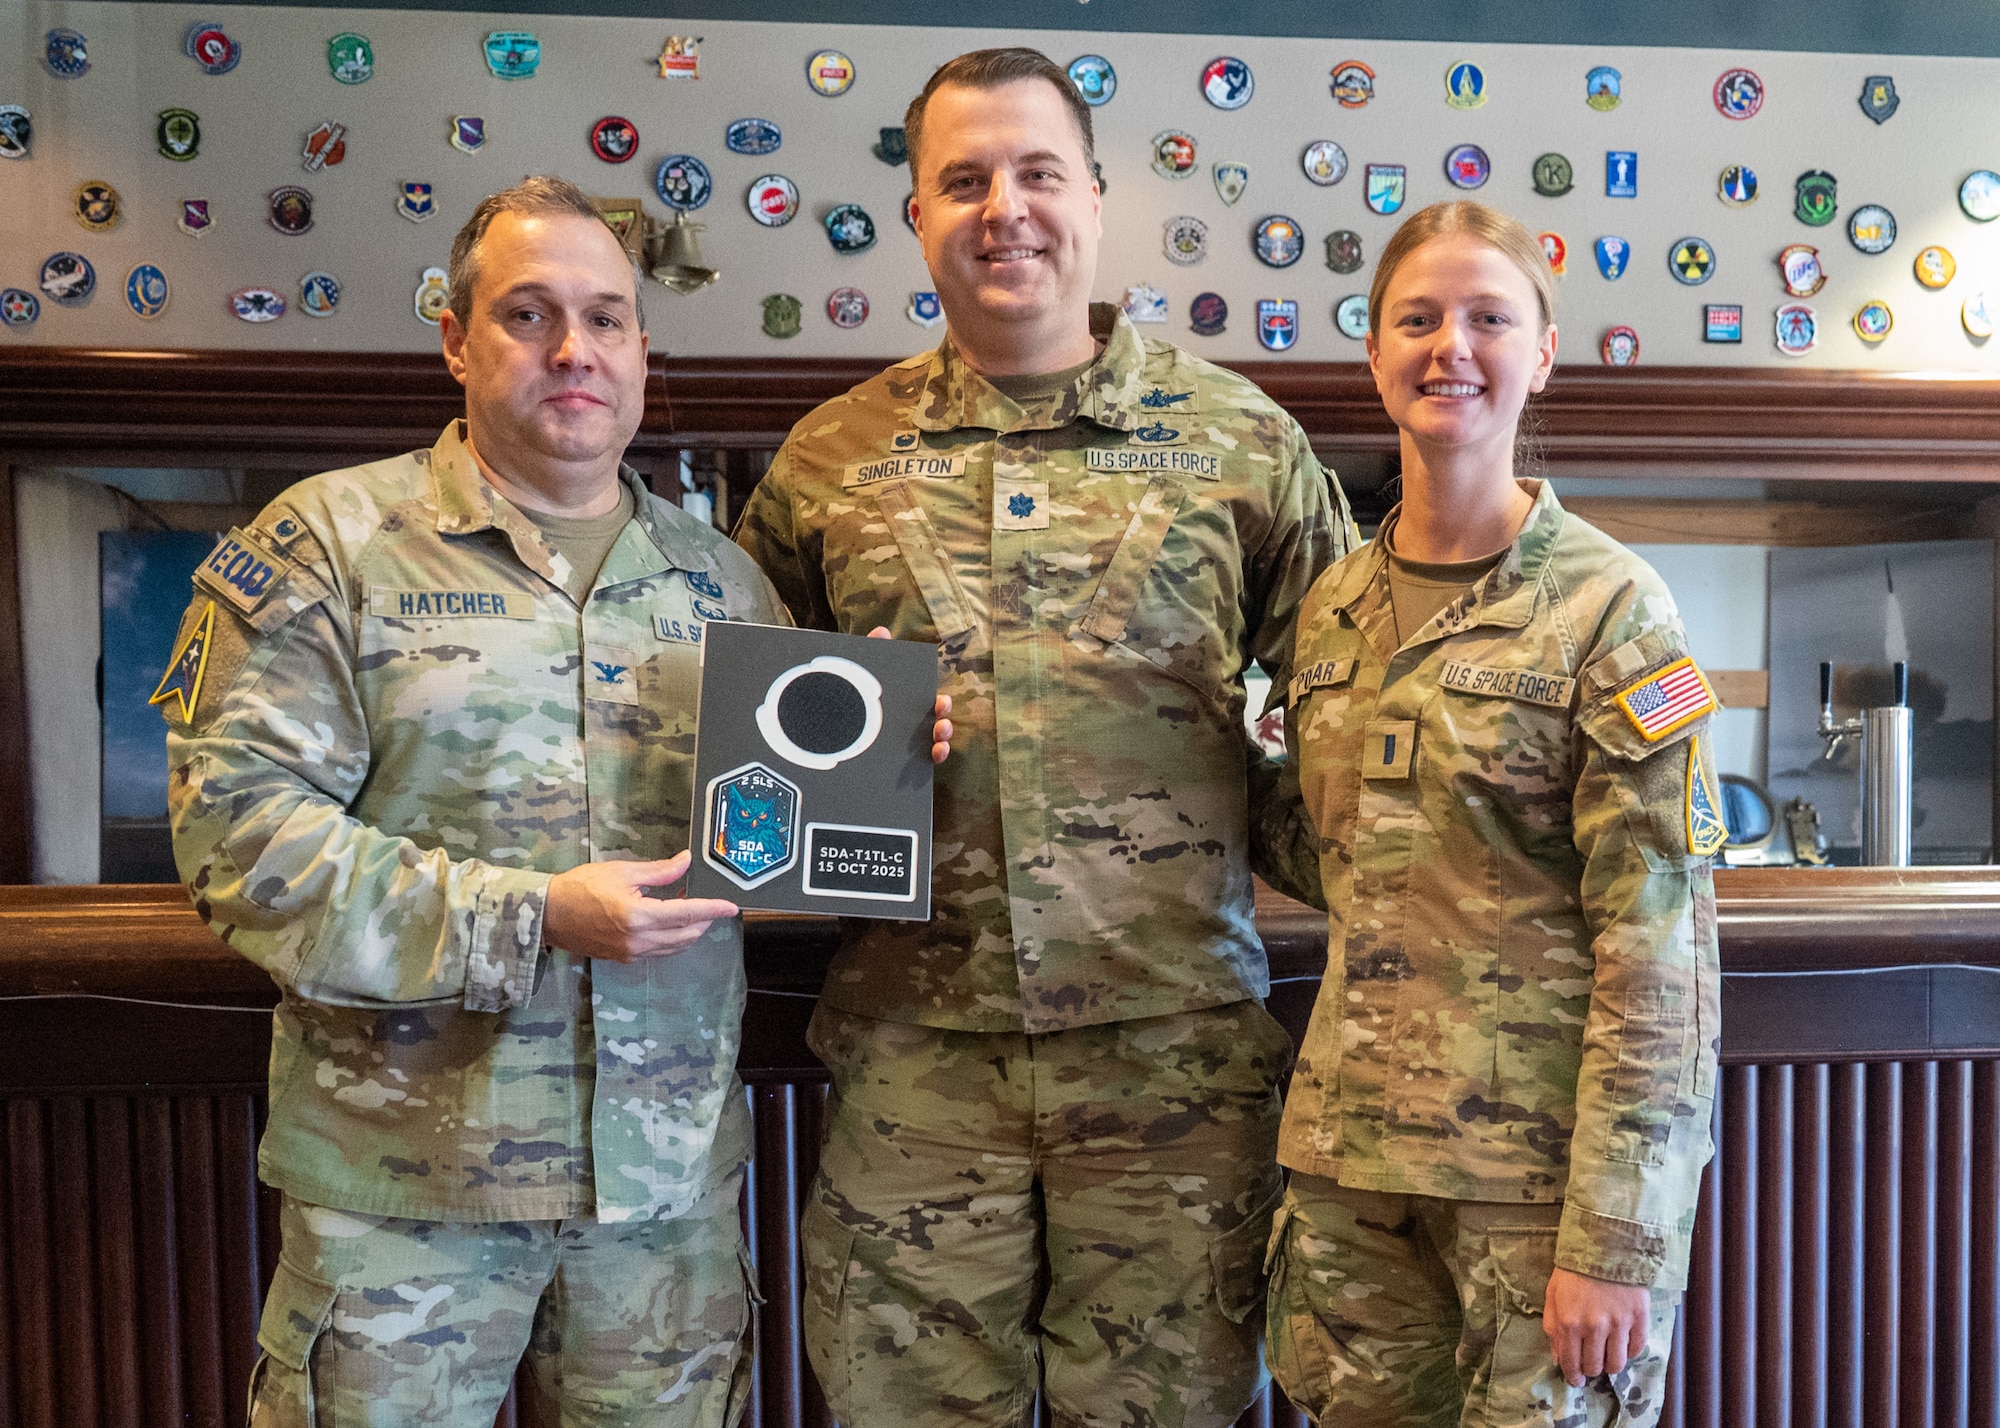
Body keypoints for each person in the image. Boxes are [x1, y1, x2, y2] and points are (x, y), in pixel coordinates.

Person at [733, 45, 1355, 1428]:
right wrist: (851, 747)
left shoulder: (1241, 445)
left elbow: (1358, 708)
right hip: (915, 1057)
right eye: (963, 180)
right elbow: (747, 761)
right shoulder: (829, 461)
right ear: (916, 217)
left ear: (1094, 195)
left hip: (1174, 1061)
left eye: (1035, 172)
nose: (1002, 206)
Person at [160, 175, 786, 1426]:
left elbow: (770, 834)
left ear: (642, 349)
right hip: (405, 1201)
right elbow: (241, 842)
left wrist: (890, 764)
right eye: (527, 314)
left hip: (660, 1206)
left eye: (607, 319)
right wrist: (535, 914)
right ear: (453, 338)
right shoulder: (327, 547)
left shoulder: (724, 587)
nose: (574, 350)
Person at [1259, 199, 1722, 1427]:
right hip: (1352, 1185)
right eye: (1415, 319)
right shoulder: (1332, 606)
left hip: (1531, 1197)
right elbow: (1335, 856)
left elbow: (1659, 943)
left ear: (1542, 353)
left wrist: (1617, 1235)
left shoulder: (1611, 608)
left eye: (1486, 318)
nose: (1447, 347)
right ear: (1372, 354)